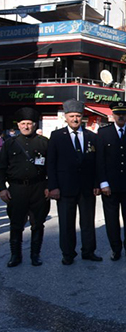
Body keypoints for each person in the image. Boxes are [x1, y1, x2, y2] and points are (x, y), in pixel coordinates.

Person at [47, 100, 102, 265]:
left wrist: (97, 184)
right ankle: (68, 254)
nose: (75, 119)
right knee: (66, 223)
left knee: (88, 222)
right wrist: (53, 187)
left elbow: (97, 163)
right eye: (71, 116)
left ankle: (89, 251)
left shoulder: (92, 137)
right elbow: (51, 163)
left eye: (78, 116)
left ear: (82, 117)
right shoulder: (57, 136)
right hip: (65, 187)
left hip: (87, 188)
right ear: (65, 117)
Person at [0, 107, 50, 267]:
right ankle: (15, 255)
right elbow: (1, 168)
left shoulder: (44, 143)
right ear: (18, 125)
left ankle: (35, 255)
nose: (26, 126)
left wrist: (49, 186)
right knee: (16, 224)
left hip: (39, 188)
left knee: (38, 224)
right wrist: (2, 188)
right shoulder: (10, 144)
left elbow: (52, 167)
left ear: (35, 124)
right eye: (23, 123)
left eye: (29, 123)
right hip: (17, 189)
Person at [96, 101, 126, 261]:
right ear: (113, 115)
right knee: (112, 220)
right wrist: (103, 183)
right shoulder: (103, 133)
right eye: (118, 114)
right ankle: (115, 249)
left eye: (124, 113)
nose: (121, 116)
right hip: (110, 186)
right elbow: (99, 160)